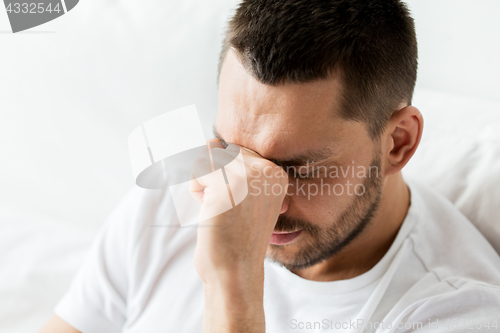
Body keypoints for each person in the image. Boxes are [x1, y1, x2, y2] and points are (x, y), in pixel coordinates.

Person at [40, 0, 500, 332]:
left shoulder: (454, 313)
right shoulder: (180, 187)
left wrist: (233, 288)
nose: (250, 191)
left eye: (298, 168)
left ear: (398, 143)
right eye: (230, 147)